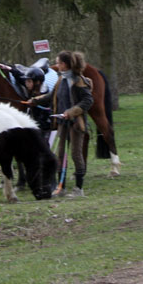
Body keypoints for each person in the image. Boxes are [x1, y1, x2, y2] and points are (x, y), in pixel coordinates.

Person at [25, 50, 93, 197]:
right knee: (60, 155)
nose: (56, 65)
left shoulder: (79, 81)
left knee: (76, 154)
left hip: (76, 123)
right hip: (62, 123)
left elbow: (88, 101)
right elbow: (52, 96)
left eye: (58, 62)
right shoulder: (61, 79)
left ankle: (78, 189)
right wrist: (35, 100)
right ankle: (61, 188)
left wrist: (72, 112)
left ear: (65, 64)